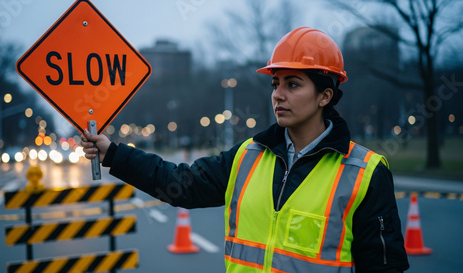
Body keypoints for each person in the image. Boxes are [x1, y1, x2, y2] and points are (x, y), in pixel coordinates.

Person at [81, 27, 410, 273]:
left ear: (325, 96)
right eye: (275, 84)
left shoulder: (364, 172)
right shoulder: (248, 155)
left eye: (292, 84)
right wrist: (114, 153)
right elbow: (180, 185)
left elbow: (384, 266)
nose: (278, 95)